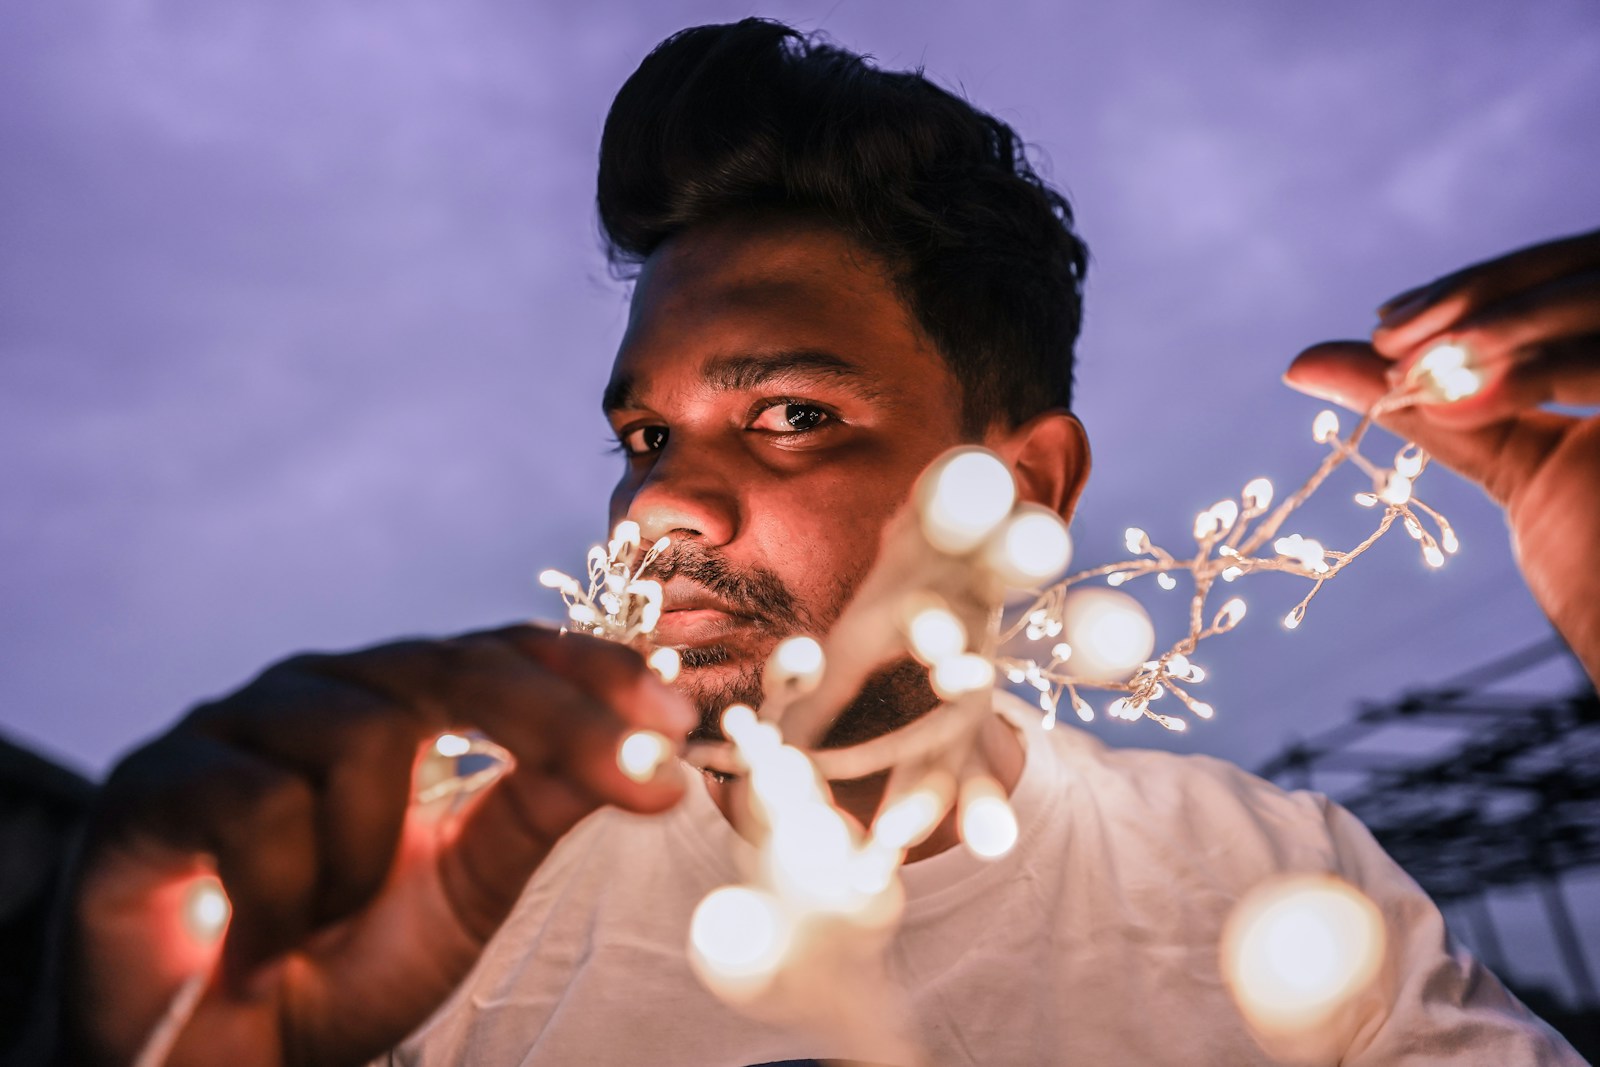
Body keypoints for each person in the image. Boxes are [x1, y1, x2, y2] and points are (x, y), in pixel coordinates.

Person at [43, 18, 1597, 1066]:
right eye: (643, 437)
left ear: (1032, 491)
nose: (658, 503)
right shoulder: (450, 903)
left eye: (787, 414)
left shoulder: (1269, 885)